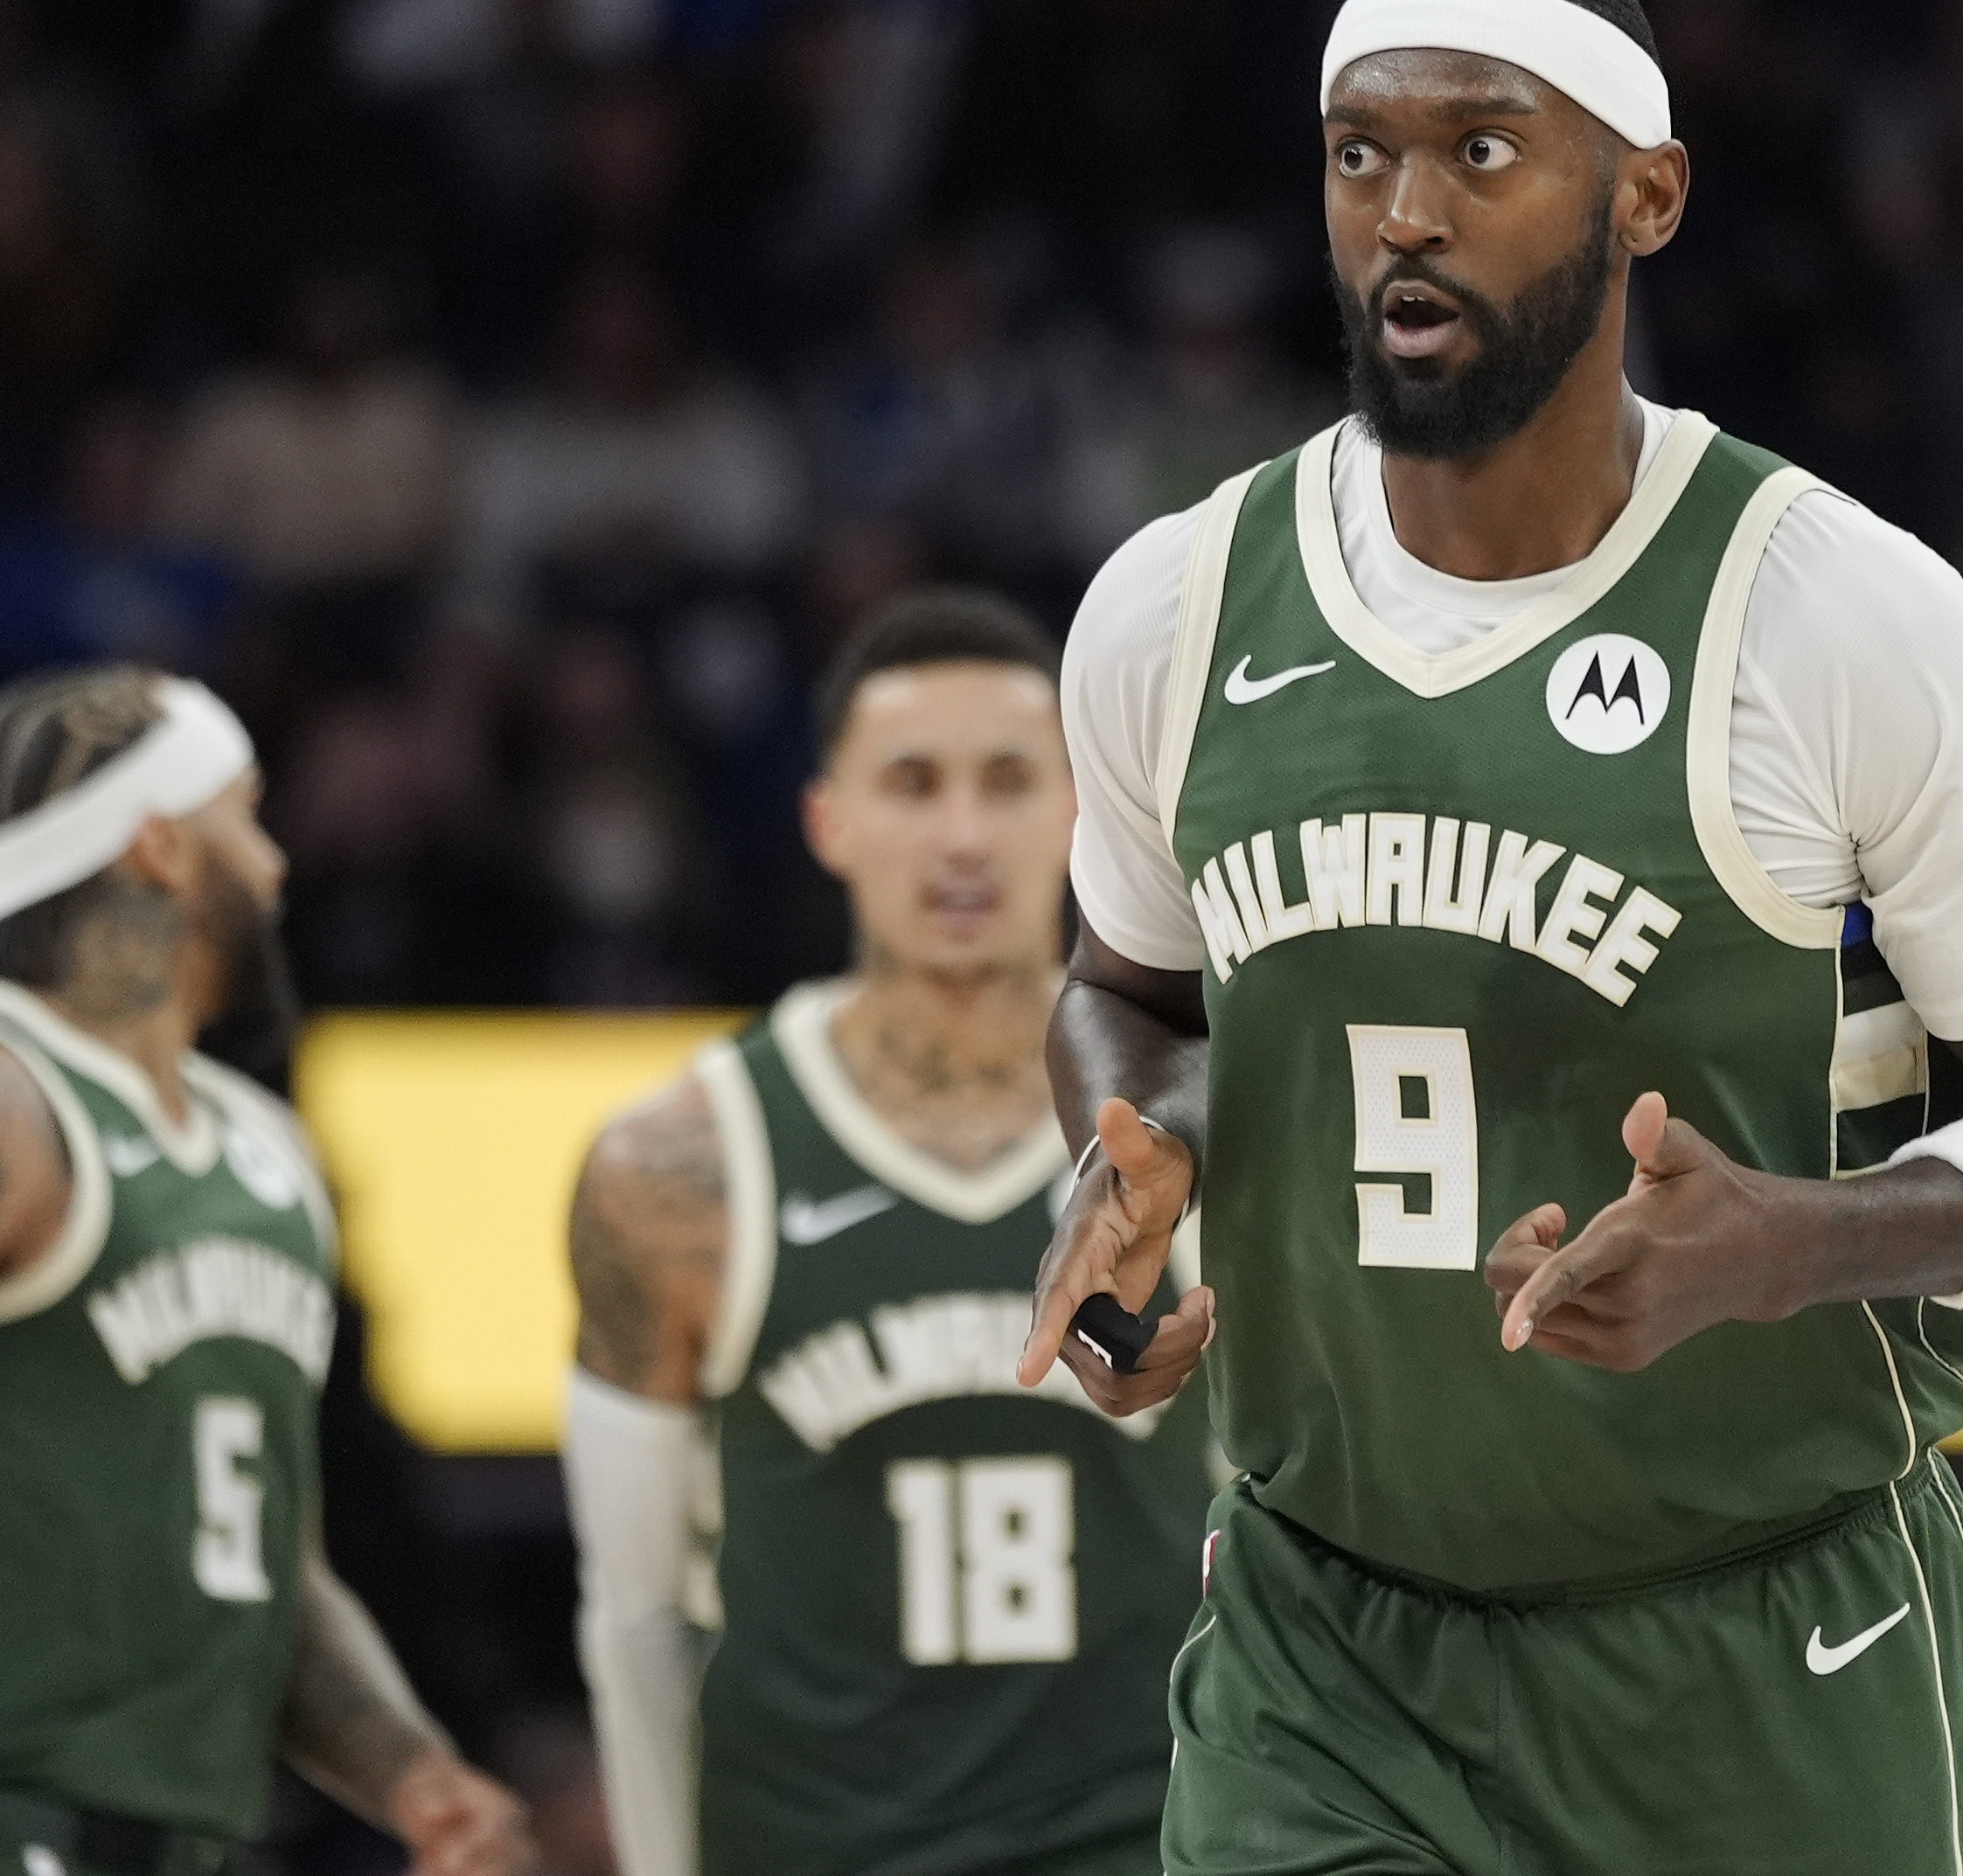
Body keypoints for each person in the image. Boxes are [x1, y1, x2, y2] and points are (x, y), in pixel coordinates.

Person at [1023, 0, 1963, 1876]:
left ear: (1645, 194)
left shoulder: (1842, 617)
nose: (1406, 211)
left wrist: (1801, 1243)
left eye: (1481, 150)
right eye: (1358, 154)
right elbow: (1127, 994)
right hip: (1327, 1652)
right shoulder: (1174, 606)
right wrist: (1122, 1156)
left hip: (1760, 1648)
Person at [561, 588, 1212, 1876]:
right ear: (830, 820)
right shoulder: (679, 1166)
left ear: (1083, 812)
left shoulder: (1198, 1135)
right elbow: (636, 1614)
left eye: (1007, 781)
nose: (962, 834)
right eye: (913, 783)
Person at [0, 666, 533, 1876]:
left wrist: (410, 1771)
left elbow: (267, 1570)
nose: (277, 862)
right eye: (245, 813)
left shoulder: (268, 1150)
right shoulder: (20, 1096)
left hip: (193, 1836)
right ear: (160, 846)